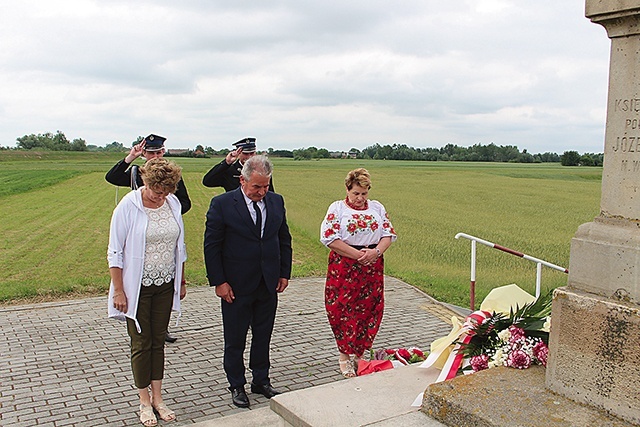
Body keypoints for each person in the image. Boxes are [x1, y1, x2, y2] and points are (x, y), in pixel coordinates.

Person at [204, 155, 292, 408]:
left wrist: (283, 273)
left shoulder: (276, 201)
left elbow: (283, 239)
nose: (262, 192)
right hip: (236, 285)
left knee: (263, 335)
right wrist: (219, 282)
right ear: (242, 181)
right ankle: (236, 384)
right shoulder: (222, 204)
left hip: (268, 283)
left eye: (265, 186)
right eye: (256, 187)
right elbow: (212, 246)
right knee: (235, 338)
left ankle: (261, 380)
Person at [107, 158, 187, 426]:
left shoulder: (173, 204)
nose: (161, 196)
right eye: (157, 191)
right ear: (146, 182)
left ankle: (158, 397)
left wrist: (182, 281)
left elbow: (180, 246)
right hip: (136, 287)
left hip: (165, 283)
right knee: (141, 342)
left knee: (158, 341)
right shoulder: (128, 206)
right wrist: (119, 290)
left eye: (166, 191)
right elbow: (115, 251)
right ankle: (143, 401)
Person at [106, 134, 190, 343]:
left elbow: (184, 203)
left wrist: (165, 214)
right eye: (150, 152)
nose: (155, 156)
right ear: (144, 154)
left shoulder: (170, 176)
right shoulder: (136, 172)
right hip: (137, 233)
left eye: (158, 152)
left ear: (163, 151)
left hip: (162, 235)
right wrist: (130, 157)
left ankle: (163, 330)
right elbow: (112, 177)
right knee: (142, 338)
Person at [319, 168, 397, 378]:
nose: (360, 198)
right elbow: (329, 238)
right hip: (344, 265)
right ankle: (344, 355)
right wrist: (357, 255)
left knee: (369, 307)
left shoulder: (377, 208)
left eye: (364, 193)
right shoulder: (337, 209)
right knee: (342, 308)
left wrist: (375, 252)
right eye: (356, 193)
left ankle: (360, 354)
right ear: (347, 189)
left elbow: (388, 234)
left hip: (372, 266)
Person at [202, 137, 275, 192]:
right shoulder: (230, 170)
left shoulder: (262, 170)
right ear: (238, 153)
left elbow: (270, 193)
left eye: (252, 153)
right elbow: (207, 181)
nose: (249, 157)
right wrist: (226, 163)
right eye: (245, 154)